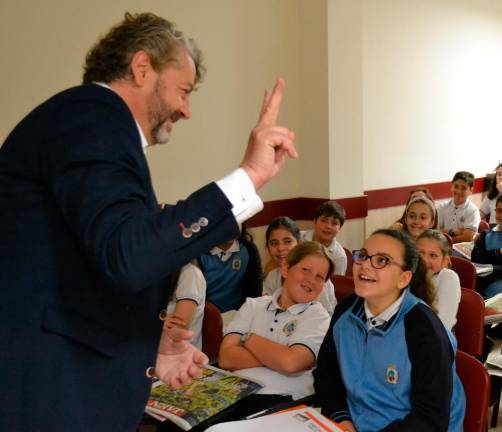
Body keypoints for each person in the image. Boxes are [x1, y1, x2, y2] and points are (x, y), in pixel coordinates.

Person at [0, 12, 297, 431]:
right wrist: (249, 175)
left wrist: (146, 345)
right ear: (143, 68)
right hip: (51, 390)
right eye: (184, 91)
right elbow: (130, 255)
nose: (186, 110)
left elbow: (86, 268)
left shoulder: (86, 125)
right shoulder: (93, 117)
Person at [313, 229, 466, 431]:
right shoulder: (346, 311)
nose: (365, 265)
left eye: (382, 260)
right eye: (363, 256)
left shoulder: (425, 330)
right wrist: (342, 419)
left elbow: (430, 419)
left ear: (403, 279)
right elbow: (326, 374)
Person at [218, 242, 333, 400]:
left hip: (279, 400)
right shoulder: (253, 305)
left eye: (320, 277)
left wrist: (247, 339)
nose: (311, 280)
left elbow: (291, 363)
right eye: (305, 270)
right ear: (286, 269)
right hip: (232, 392)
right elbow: (226, 357)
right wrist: (277, 357)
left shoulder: (318, 317)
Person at [264, 218, 337, 314]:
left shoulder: (316, 278)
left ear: (298, 243)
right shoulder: (272, 277)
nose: (280, 248)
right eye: (274, 243)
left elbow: (325, 319)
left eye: (288, 241)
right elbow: (265, 311)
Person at [417, 230, 461, 329]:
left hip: (437, 338)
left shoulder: (449, 278)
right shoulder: (407, 275)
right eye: (420, 253)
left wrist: (425, 279)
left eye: (433, 255)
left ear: (445, 261)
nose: (424, 260)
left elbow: (441, 326)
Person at [300, 201, 348, 276]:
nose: (328, 226)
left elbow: (336, 284)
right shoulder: (298, 237)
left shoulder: (339, 257)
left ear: (340, 228)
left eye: (334, 223)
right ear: (315, 221)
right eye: (323, 221)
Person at [437, 171, 481, 243]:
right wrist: (456, 231)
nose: (459, 191)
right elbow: (435, 232)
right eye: (456, 186)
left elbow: (467, 238)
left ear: (471, 190)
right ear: (451, 187)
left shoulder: (473, 211)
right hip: (442, 248)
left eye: (464, 188)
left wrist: (445, 233)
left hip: (463, 250)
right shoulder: (442, 207)